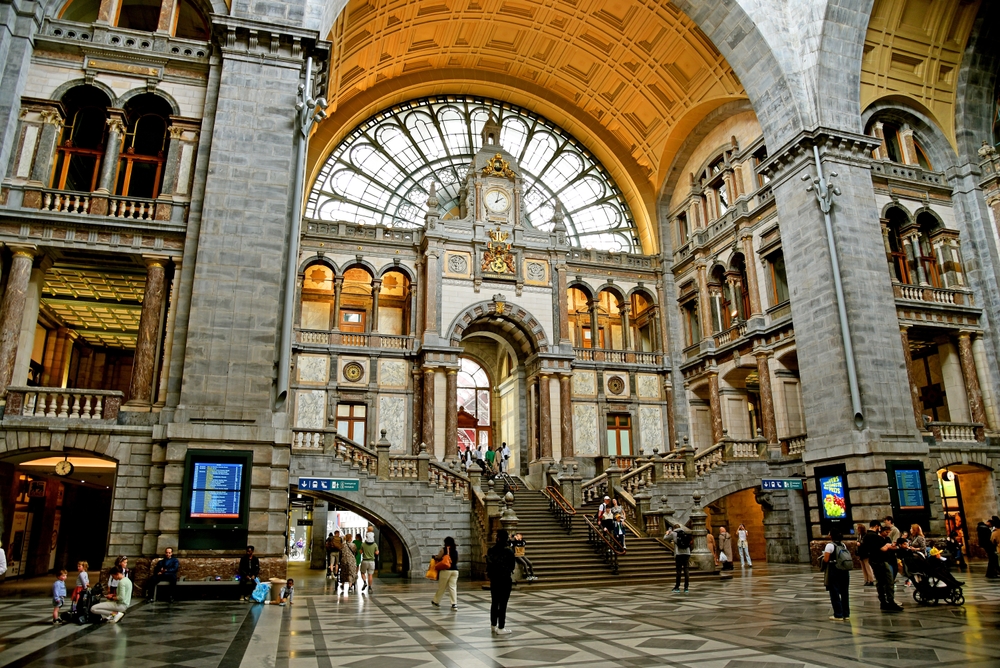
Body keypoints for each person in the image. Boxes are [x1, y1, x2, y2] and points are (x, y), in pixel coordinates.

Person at [867, 524, 902, 612]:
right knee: (885, 581)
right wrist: (888, 546)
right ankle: (886, 601)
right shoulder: (876, 538)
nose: (887, 534)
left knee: (886, 582)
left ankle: (887, 601)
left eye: (889, 532)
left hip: (887, 560)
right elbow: (883, 549)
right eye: (886, 532)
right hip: (879, 561)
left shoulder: (886, 538)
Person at [486, 529, 515, 635]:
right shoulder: (509, 551)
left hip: (494, 579)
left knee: (494, 602)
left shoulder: (491, 550)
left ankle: (493, 625)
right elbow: (512, 566)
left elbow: (489, 564)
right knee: (503, 604)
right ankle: (501, 627)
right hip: (505, 579)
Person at [822, 530, 851, 621]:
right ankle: (846, 613)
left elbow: (826, 559)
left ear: (831, 536)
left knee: (834, 592)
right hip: (844, 570)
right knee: (844, 592)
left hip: (834, 570)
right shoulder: (843, 545)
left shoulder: (830, 546)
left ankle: (838, 614)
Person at [431, 536, 459, 610]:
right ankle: (454, 604)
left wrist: (434, 557)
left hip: (446, 570)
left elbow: (438, 558)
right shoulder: (455, 551)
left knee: (442, 587)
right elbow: (456, 561)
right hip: (455, 571)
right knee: (453, 587)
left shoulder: (444, 550)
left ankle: (436, 601)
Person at [664, 525, 691, 593]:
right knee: (686, 570)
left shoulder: (674, 533)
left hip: (679, 553)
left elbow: (665, 538)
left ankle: (677, 587)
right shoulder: (684, 532)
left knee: (679, 571)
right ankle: (686, 588)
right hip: (687, 553)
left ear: (674, 528)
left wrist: (668, 533)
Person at [856, 522, 876, 586]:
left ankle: (871, 579)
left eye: (858, 528)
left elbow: (866, 544)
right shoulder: (859, 535)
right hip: (860, 553)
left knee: (867, 566)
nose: (856, 529)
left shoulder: (865, 535)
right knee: (863, 567)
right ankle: (866, 579)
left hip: (865, 553)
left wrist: (860, 544)